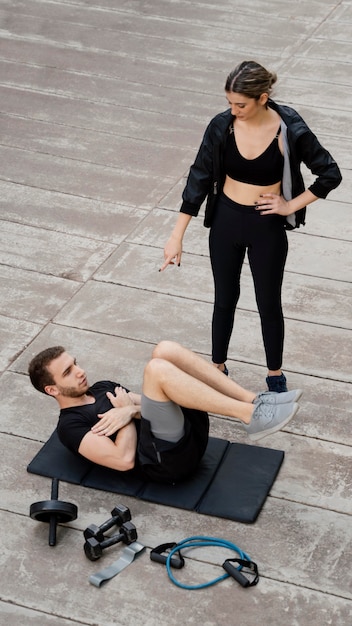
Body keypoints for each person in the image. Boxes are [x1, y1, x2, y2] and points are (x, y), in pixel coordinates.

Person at [161, 60, 342, 392]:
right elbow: (198, 177)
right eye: (230, 103)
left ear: (263, 97)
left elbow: (330, 173)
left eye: (240, 104)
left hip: (266, 227)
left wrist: (290, 205)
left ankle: (275, 376)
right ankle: (217, 369)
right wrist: (177, 236)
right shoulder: (222, 125)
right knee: (224, 299)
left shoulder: (290, 128)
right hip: (227, 221)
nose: (234, 110)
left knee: (268, 302)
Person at [28, 340, 302, 485]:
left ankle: (255, 400)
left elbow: (149, 404)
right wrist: (125, 417)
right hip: (165, 463)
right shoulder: (70, 427)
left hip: (184, 436)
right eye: (68, 372)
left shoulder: (102, 387)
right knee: (156, 370)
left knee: (164, 350)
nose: (80, 371)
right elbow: (122, 460)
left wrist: (129, 411)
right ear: (52, 390)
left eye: (75, 364)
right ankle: (249, 415)